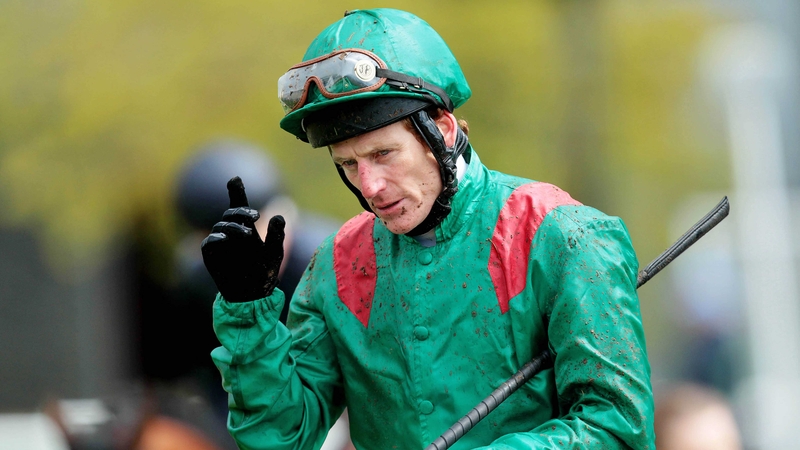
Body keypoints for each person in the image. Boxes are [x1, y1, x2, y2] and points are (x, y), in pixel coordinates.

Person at [200, 8, 654, 449]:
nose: (370, 185)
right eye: (348, 164)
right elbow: (280, 439)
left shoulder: (563, 236)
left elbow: (618, 430)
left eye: (383, 154)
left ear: (443, 129)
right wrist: (249, 315)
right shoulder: (338, 264)